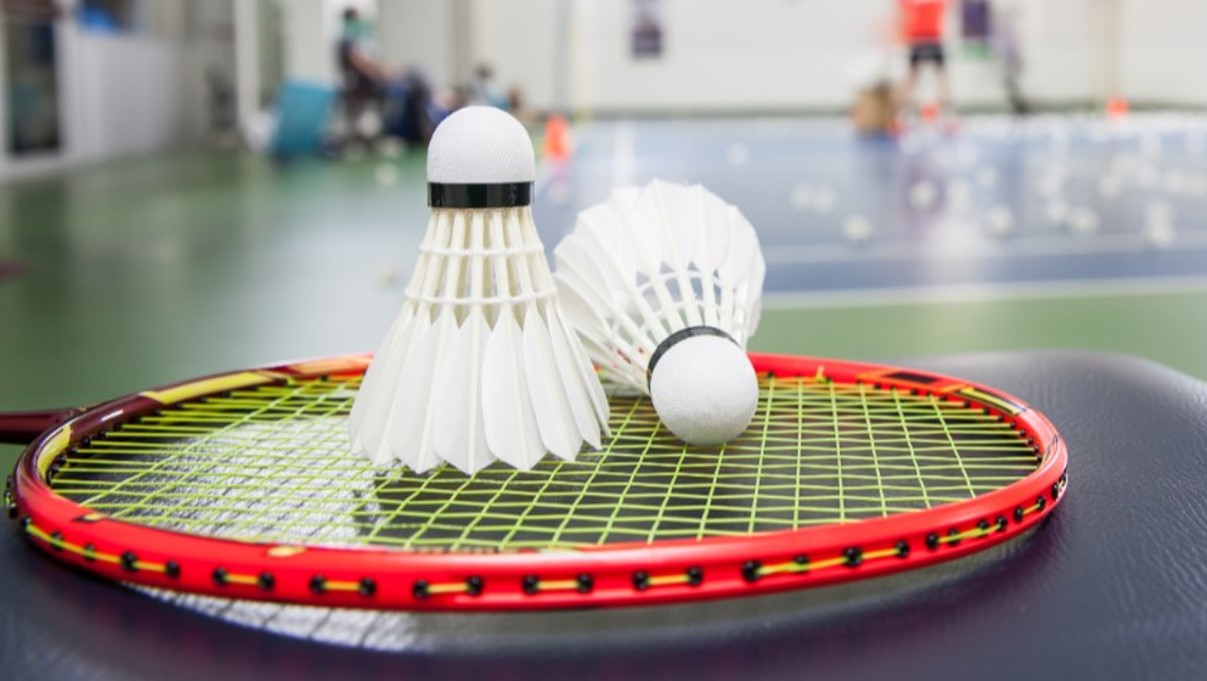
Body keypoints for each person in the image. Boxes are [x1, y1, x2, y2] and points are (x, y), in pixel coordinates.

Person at [897, 0, 952, 123]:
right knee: (911, 77)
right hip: (918, 40)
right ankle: (901, 113)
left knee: (941, 77)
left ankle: (949, 114)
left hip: (934, 39)